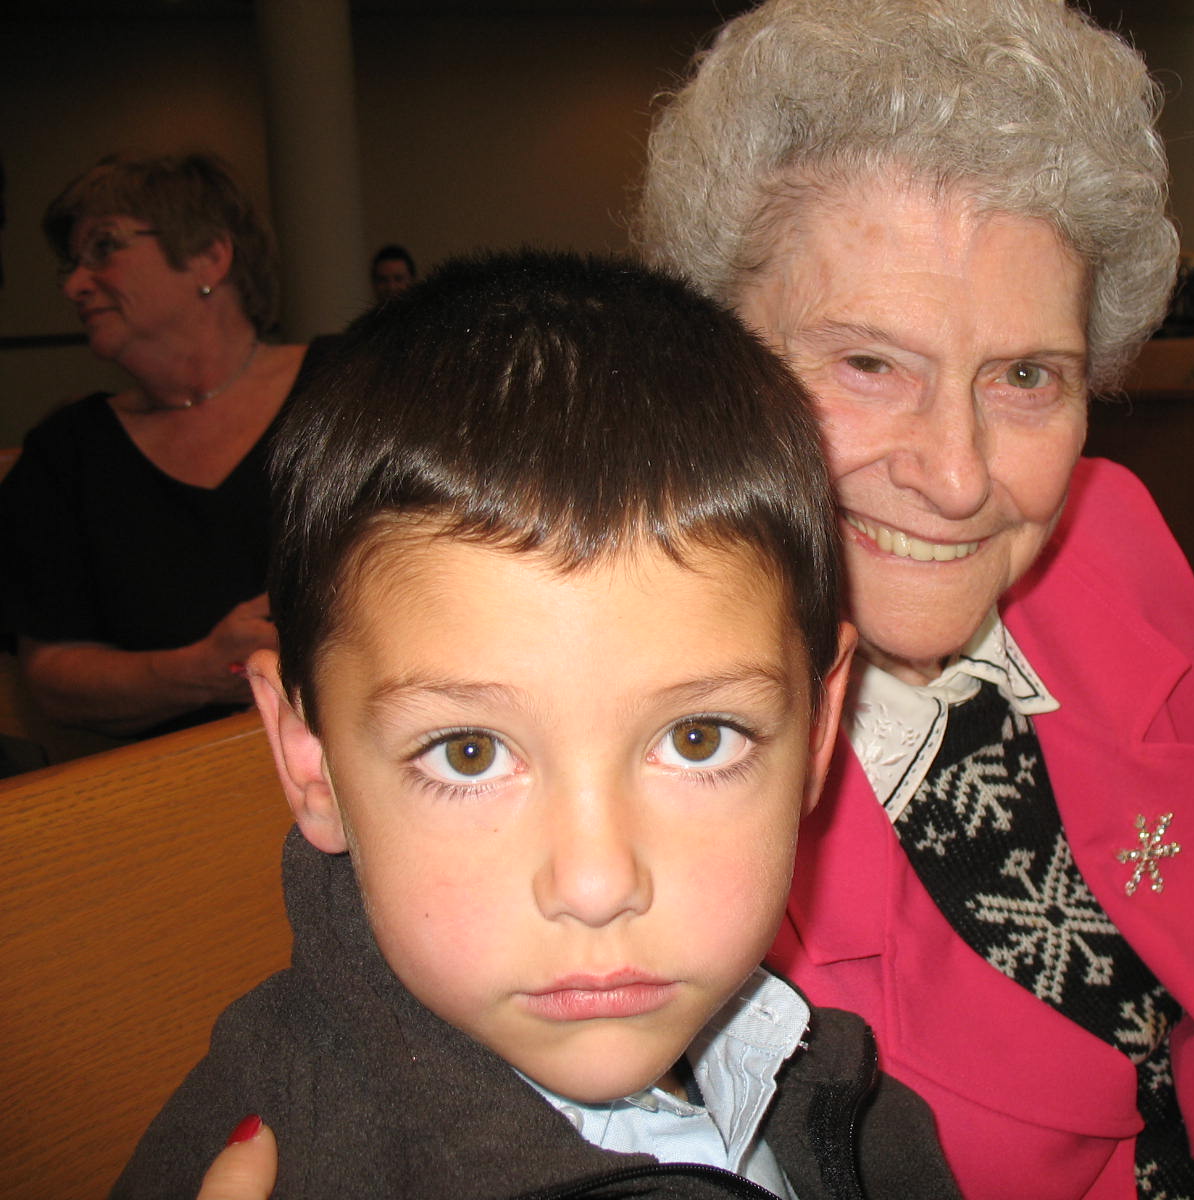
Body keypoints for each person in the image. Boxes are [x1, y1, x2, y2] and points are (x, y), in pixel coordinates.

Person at [193, 2, 1194, 1195]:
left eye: (1027, 375)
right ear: (711, 369)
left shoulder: (1107, 552)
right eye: (869, 363)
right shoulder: (646, 821)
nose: (959, 475)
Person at [115, 248, 960, 1199]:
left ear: (817, 728)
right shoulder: (261, 1165)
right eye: (468, 753)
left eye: (698, 738)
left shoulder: (853, 1106)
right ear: (309, 758)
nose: (596, 886)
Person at [0, 152, 334, 738]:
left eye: (104, 248)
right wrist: (202, 670)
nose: (75, 285)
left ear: (209, 255)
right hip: (174, 780)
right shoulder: (67, 454)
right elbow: (53, 675)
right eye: (71, 265)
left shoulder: (348, 387)